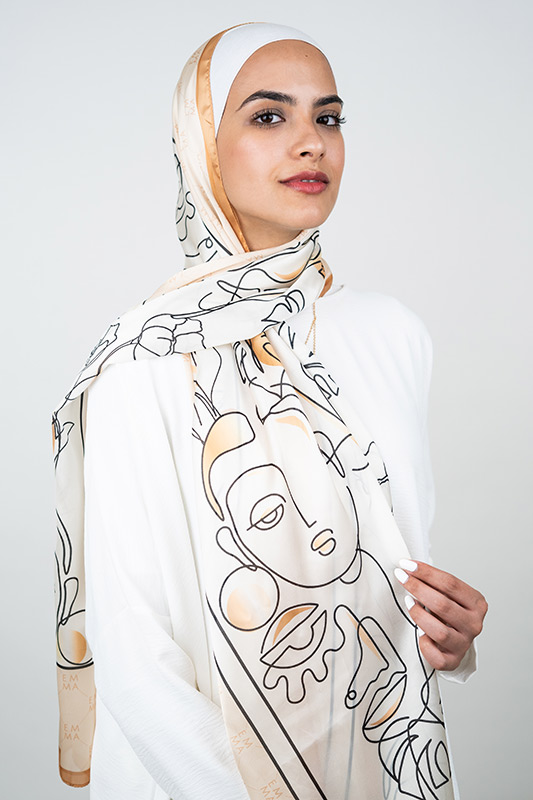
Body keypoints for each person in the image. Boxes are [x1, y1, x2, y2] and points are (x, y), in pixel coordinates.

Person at [52, 22, 488, 800]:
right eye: (267, 115)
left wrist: (449, 640)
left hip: (374, 768)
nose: (310, 142)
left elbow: (390, 570)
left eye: (328, 117)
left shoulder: (393, 334)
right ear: (202, 146)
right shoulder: (141, 362)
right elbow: (136, 665)